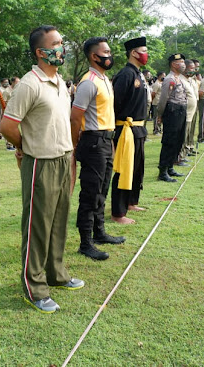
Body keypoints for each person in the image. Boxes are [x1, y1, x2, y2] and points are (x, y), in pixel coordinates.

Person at [0, 25, 84, 314]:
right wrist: (27, 146)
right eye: (57, 43)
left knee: (59, 221)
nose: (62, 47)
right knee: (38, 226)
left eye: (62, 42)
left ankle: (56, 274)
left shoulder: (59, 81)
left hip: (63, 158)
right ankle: (34, 288)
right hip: (41, 162)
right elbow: (7, 126)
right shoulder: (29, 83)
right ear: (40, 51)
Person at [70, 37, 125, 261]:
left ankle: (99, 232)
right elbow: (75, 117)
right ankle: (85, 243)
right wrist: (74, 146)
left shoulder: (104, 79)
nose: (110, 55)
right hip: (93, 142)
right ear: (94, 56)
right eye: (106, 52)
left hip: (105, 140)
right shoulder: (88, 82)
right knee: (90, 194)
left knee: (102, 189)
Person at [110, 36, 151, 225]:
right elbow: (115, 102)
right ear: (134, 53)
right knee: (123, 170)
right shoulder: (126, 74)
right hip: (125, 129)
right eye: (143, 51)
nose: (146, 55)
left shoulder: (139, 74)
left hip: (138, 129)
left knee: (136, 169)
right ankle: (118, 212)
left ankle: (131, 201)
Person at [156, 54, 188, 182]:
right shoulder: (169, 79)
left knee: (178, 140)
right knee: (169, 141)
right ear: (174, 64)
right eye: (181, 62)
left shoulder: (179, 78)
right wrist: (159, 115)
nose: (183, 64)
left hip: (181, 111)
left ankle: (170, 167)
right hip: (172, 112)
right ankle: (163, 171)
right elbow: (163, 99)